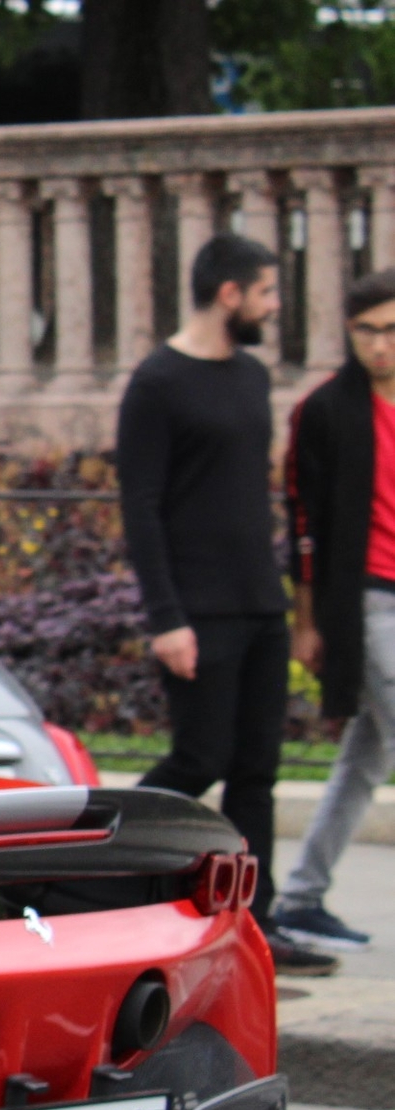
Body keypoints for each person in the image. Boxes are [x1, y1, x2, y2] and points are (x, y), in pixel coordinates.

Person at [117, 232, 336, 976]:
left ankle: (257, 923)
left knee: (256, 771)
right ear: (231, 294)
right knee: (198, 758)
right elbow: (141, 507)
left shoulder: (249, 376)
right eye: (268, 292)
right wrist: (165, 618)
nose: (275, 306)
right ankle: (105, 857)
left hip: (258, 603)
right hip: (196, 612)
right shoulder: (157, 382)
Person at [277, 268, 395, 953]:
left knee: (364, 763)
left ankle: (300, 898)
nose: (380, 345)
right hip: (369, 601)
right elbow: (303, 524)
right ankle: (300, 899)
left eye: (390, 330)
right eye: (367, 330)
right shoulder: (324, 411)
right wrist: (307, 619)